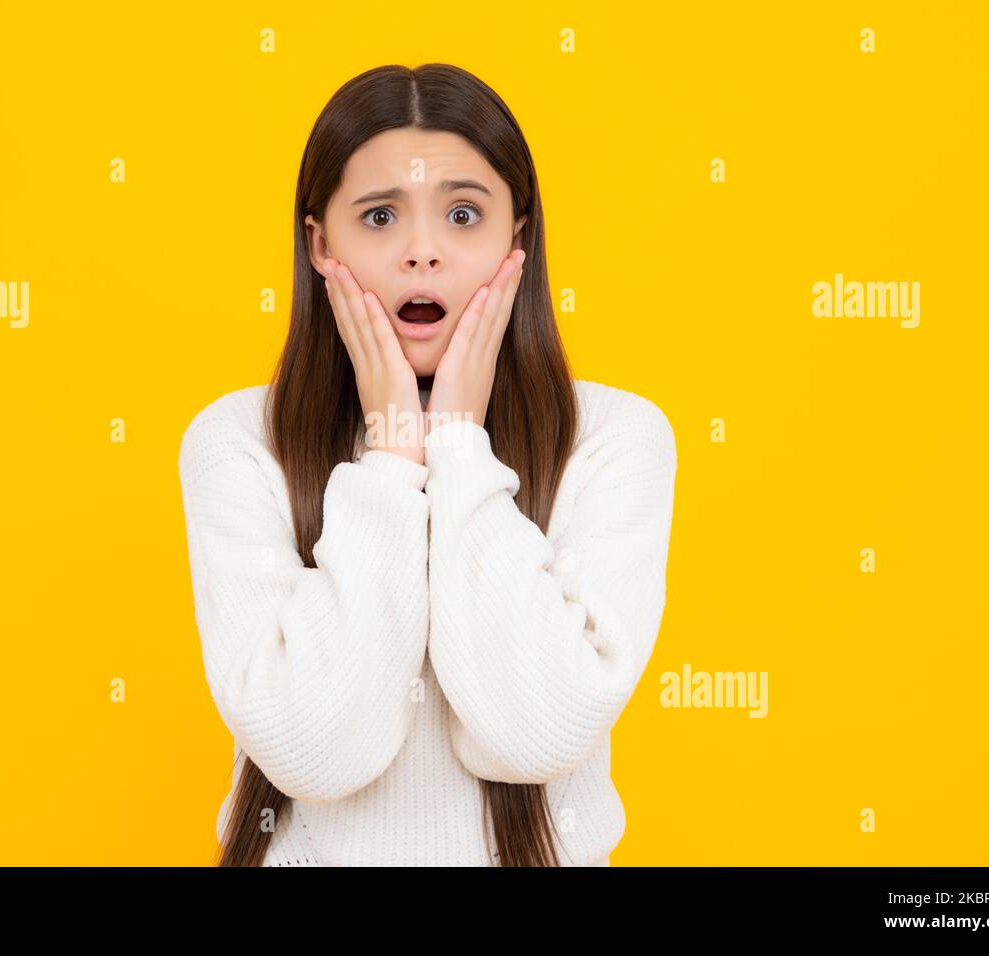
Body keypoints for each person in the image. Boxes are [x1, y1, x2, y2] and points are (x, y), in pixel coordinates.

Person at [178, 63, 677, 866]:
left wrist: (456, 447)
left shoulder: (616, 439)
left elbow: (535, 732)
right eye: (379, 216)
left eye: (462, 213)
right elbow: (318, 753)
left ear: (518, 238)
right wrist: (390, 456)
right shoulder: (237, 443)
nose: (421, 252)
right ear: (319, 244)